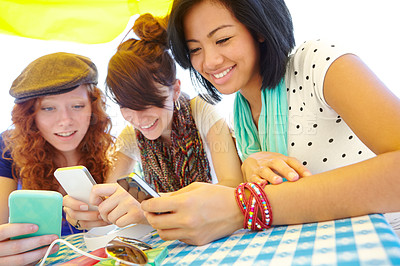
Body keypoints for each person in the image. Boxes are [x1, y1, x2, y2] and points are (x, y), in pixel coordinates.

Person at [138, 0, 400, 245]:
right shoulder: (239, 116)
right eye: (195, 49)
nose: (209, 61)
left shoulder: (317, 63)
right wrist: (151, 206)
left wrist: (249, 204)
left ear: (259, 29)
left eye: (223, 39)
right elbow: (244, 193)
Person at [62, 13, 243, 230]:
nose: (139, 119)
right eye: (127, 106)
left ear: (175, 89)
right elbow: (108, 191)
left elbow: (232, 185)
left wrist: (149, 206)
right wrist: (91, 211)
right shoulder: (131, 136)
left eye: (148, 103)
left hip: (216, 226)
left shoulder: (202, 112)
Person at [0, 52, 114, 264]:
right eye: (49, 108)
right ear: (30, 115)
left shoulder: (115, 150)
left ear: (93, 107)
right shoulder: (8, 147)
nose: (65, 121)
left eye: (77, 106)